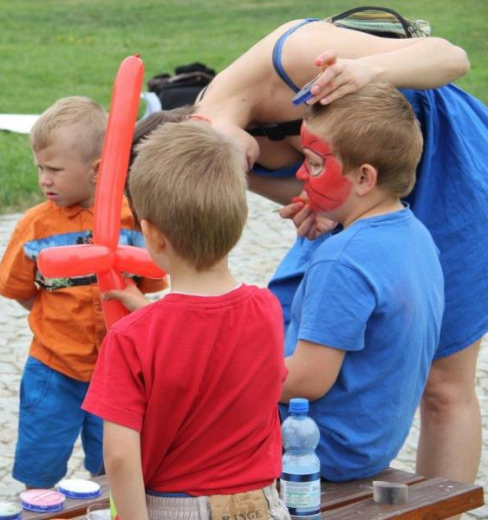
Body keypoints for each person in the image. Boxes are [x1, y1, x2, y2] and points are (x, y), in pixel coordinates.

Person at [130, 15, 486, 486]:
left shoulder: (288, 55)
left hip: (453, 169)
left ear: (195, 132)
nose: (233, 186)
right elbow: (326, 204)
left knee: (443, 386)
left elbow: (452, 57)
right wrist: (320, 212)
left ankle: (441, 502)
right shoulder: (237, 159)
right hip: (373, 201)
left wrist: (367, 72)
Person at [83, 120, 288, 520]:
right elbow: (217, 348)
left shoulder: (130, 339)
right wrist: (150, 313)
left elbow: (121, 458)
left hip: (175, 508)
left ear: (153, 237)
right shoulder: (266, 309)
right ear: (240, 222)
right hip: (262, 504)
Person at [0, 96, 167, 489]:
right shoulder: (35, 227)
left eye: (54, 169)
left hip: (118, 369)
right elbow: (21, 289)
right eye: (39, 168)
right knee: (41, 463)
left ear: (97, 170)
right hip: (54, 368)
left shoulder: (133, 218)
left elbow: (150, 284)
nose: (44, 180)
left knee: (112, 465)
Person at [279, 82, 444, 480]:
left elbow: (306, 380)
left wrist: (223, 373)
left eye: (315, 164)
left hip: (318, 451)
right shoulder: (414, 235)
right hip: (367, 445)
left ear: (364, 177)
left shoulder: (343, 260)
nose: (302, 173)